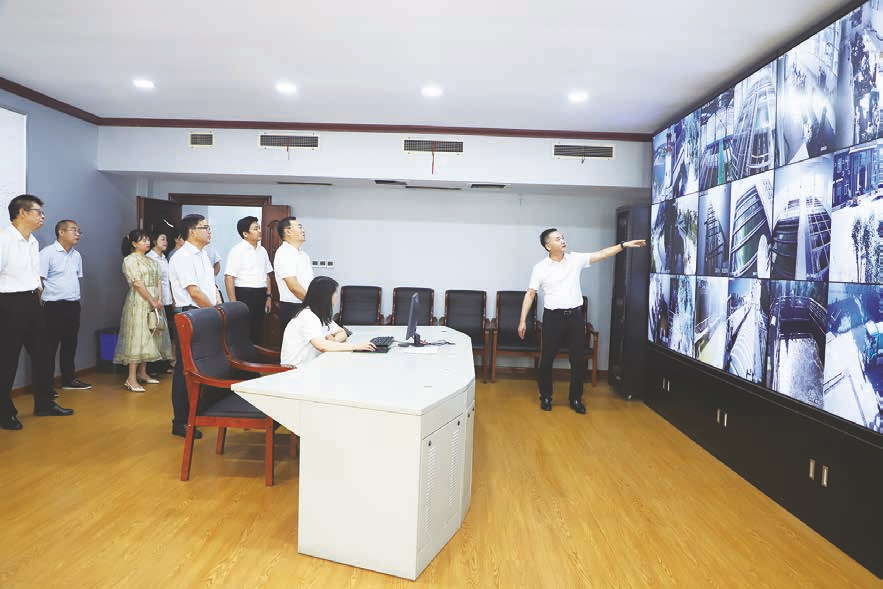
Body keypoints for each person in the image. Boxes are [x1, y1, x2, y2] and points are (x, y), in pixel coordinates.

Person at [518, 229, 646, 414]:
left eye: (563, 237)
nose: (563, 240)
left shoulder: (575, 259)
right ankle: (545, 397)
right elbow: (530, 294)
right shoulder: (540, 268)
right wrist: (522, 320)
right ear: (548, 246)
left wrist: (623, 245)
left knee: (578, 360)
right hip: (553, 318)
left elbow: (602, 254)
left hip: (576, 318)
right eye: (557, 239)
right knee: (546, 360)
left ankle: (575, 399)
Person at [0, 194, 73, 430]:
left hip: (32, 302)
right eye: (38, 212)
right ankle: (4, 412)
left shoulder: (33, 241)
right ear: (22, 213)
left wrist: (38, 298)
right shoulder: (4, 239)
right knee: (7, 360)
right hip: (9, 303)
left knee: (43, 354)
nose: (43, 217)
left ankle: (44, 403)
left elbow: (33, 276)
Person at [168, 214, 221, 438]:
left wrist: (218, 304)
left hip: (204, 313)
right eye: (204, 227)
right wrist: (215, 312)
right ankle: (180, 421)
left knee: (203, 366)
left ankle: (197, 413)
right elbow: (194, 292)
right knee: (186, 369)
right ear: (191, 232)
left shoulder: (203, 255)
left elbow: (210, 287)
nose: (209, 231)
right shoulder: (182, 257)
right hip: (190, 315)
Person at [113, 230, 173, 391]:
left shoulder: (151, 260)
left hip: (154, 301)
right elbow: (137, 283)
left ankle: (142, 372)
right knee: (138, 336)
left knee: (151, 334)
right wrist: (152, 300)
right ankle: (131, 378)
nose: (147, 243)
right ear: (134, 243)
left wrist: (159, 299)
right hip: (139, 301)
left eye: (147, 240)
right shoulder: (130, 260)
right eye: (143, 240)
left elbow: (159, 281)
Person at [40, 218, 91, 391]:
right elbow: (39, 281)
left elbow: (75, 279)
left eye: (78, 231)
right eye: (73, 230)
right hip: (53, 307)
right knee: (49, 347)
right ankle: (46, 387)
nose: (78, 234)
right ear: (61, 232)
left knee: (70, 345)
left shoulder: (76, 256)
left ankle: (68, 380)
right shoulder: (47, 253)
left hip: (73, 305)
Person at [280, 276, 375, 368]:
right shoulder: (307, 316)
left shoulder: (321, 314)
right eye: (335, 293)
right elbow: (322, 346)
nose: (336, 296)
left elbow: (342, 333)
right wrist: (357, 346)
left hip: (316, 365)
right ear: (326, 296)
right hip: (297, 370)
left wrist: (333, 341)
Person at [224, 216, 273, 343]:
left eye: (259, 228)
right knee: (243, 330)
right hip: (244, 294)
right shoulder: (237, 251)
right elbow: (229, 277)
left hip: (261, 294)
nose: (259, 231)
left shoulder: (262, 251)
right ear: (245, 234)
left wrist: (268, 296)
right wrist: (233, 303)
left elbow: (267, 275)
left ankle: (256, 354)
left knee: (258, 329)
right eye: (255, 229)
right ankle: (243, 355)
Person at [273, 216, 314, 332]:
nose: (303, 230)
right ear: (288, 232)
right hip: (293, 307)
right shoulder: (284, 253)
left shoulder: (303, 255)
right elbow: (293, 286)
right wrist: (312, 303)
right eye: (299, 227)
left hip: (306, 305)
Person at [146, 229, 176, 371]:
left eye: (166, 239)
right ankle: (153, 366)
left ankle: (164, 363)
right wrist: (156, 299)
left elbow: (168, 280)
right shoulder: (150, 258)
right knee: (155, 330)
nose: (166, 242)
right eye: (162, 239)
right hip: (156, 299)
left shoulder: (164, 258)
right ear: (154, 241)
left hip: (166, 298)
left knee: (164, 331)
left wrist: (172, 298)